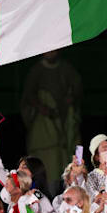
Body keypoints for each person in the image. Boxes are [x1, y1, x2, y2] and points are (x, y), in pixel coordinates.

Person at [21, 49, 82, 195]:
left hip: (64, 126)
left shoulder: (66, 69)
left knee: (66, 161)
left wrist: (69, 100)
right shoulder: (36, 71)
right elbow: (29, 95)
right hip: (44, 128)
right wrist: (42, 107)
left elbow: (76, 89)